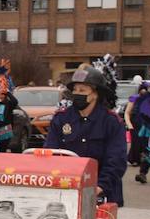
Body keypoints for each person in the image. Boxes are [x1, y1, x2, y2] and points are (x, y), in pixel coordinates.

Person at [43, 65, 127, 206]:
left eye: (82, 90)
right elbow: (50, 154)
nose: (77, 93)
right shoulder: (61, 119)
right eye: (75, 89)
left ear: (95, 94)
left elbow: (116, 160)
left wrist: (99, 187)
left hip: (101, 194)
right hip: (66, 191)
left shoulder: (111, 122)